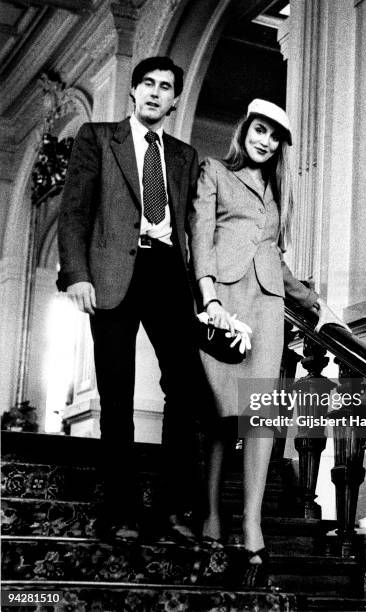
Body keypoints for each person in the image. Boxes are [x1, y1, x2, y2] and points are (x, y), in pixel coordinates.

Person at [189, 99, 345, 584]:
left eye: (274, 136)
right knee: (220, 412)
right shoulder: (213, 170)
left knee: (259, 416)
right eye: (260, 130)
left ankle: (252, 525)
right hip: (226, 302)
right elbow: (200, 234)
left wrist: (315, 302)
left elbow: (275, 257)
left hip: (268, 305)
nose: (265, 141)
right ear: (245, 131)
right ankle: (211, 514)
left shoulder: (277, 194)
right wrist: (209, 298)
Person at [57, 56, 203, 541]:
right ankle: (119, 509)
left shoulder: (184, 156)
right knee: (116, 396)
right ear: (133, 92)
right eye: (147, 84)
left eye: (166, 87)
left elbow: (193, 228)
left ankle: (171, 507)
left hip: (168, 274)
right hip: (112, 274)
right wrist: (76, 273)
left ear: (175, 99)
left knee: (184, 389)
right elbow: (75, 210)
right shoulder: (98, 137)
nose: (156, 93)